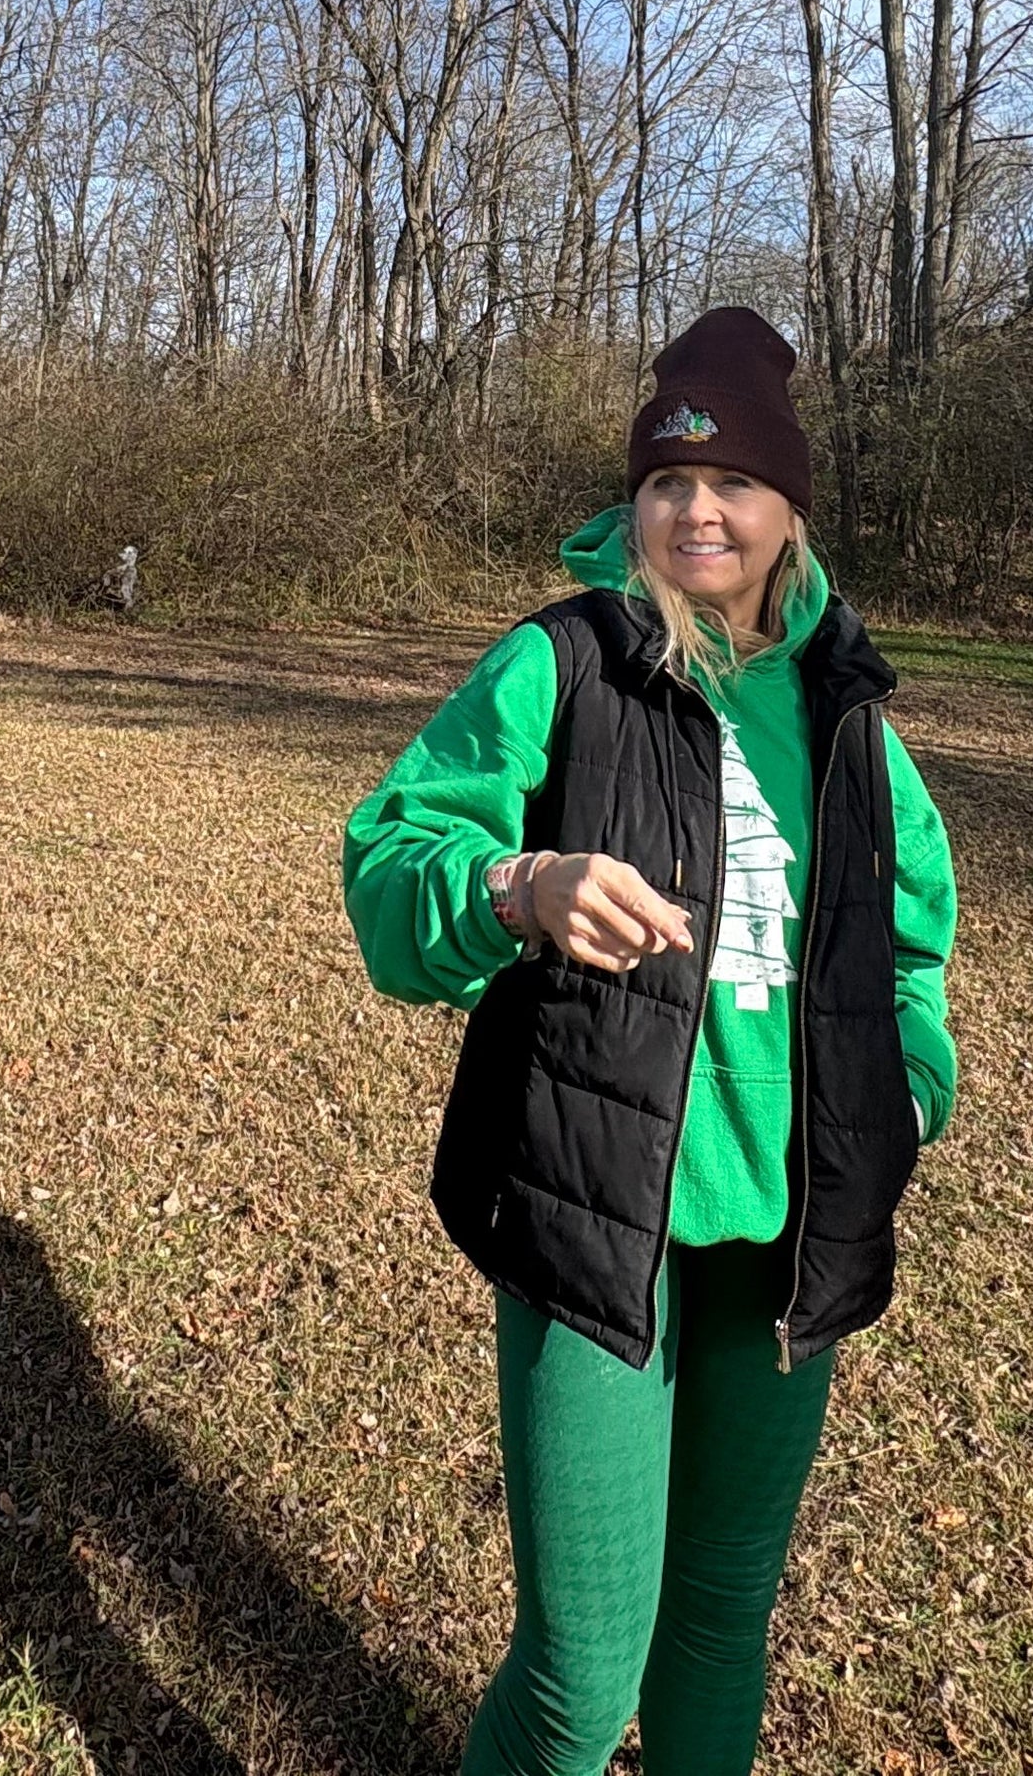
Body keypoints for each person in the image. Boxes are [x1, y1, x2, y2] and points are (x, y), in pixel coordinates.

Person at [341, 306, 960, 1776]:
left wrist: (905, 1091)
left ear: (786, 510)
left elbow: (913, 942)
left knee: (724, 1621)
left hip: (793, 1232)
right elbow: (389, 870)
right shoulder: (564, 665)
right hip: (593, 1209)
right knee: (578, 1678)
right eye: (670, 481)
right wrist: (519, 885)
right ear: (636, 503)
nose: (699, 509)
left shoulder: (848, 711)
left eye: (734, 481)